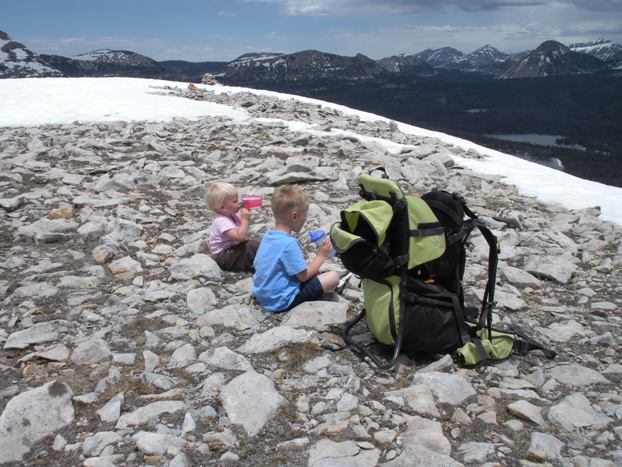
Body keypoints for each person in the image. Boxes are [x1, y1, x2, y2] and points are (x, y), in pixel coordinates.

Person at [252, 185, 340, 312]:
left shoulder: (269, 235)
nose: (305, 219)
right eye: (305, 215)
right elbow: (303, 277)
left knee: (313, 271)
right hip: (281, 301)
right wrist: (321, 256)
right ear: (294, 216)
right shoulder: (289, 244)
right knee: (333, 277)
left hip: (263, 296)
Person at [206, 182, 258, 272]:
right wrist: (245, 219)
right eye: (235, 201)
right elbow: (240, 237)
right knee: (251, 247)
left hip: (231, 250)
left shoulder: (230, 214)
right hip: (223, 257)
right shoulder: (221, 221)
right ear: (222, 208)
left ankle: (260, 261)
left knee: (253, 245)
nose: (239, 202)